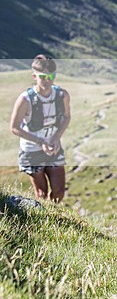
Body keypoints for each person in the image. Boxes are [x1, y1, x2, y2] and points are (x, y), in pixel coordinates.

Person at [9, 55, 72, 202]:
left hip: (53, 146)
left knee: (59, 193)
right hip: (31, 150)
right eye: (43, 76)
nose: (48, 80)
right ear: (34, 76)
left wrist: (56, 138)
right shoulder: (25, 99)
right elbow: (14, 128)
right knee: (41, 194)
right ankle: (42, 220)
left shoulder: (62, 95)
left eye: (51, 76)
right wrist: (40, 141)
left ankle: (55, 219)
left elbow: (66, 117)